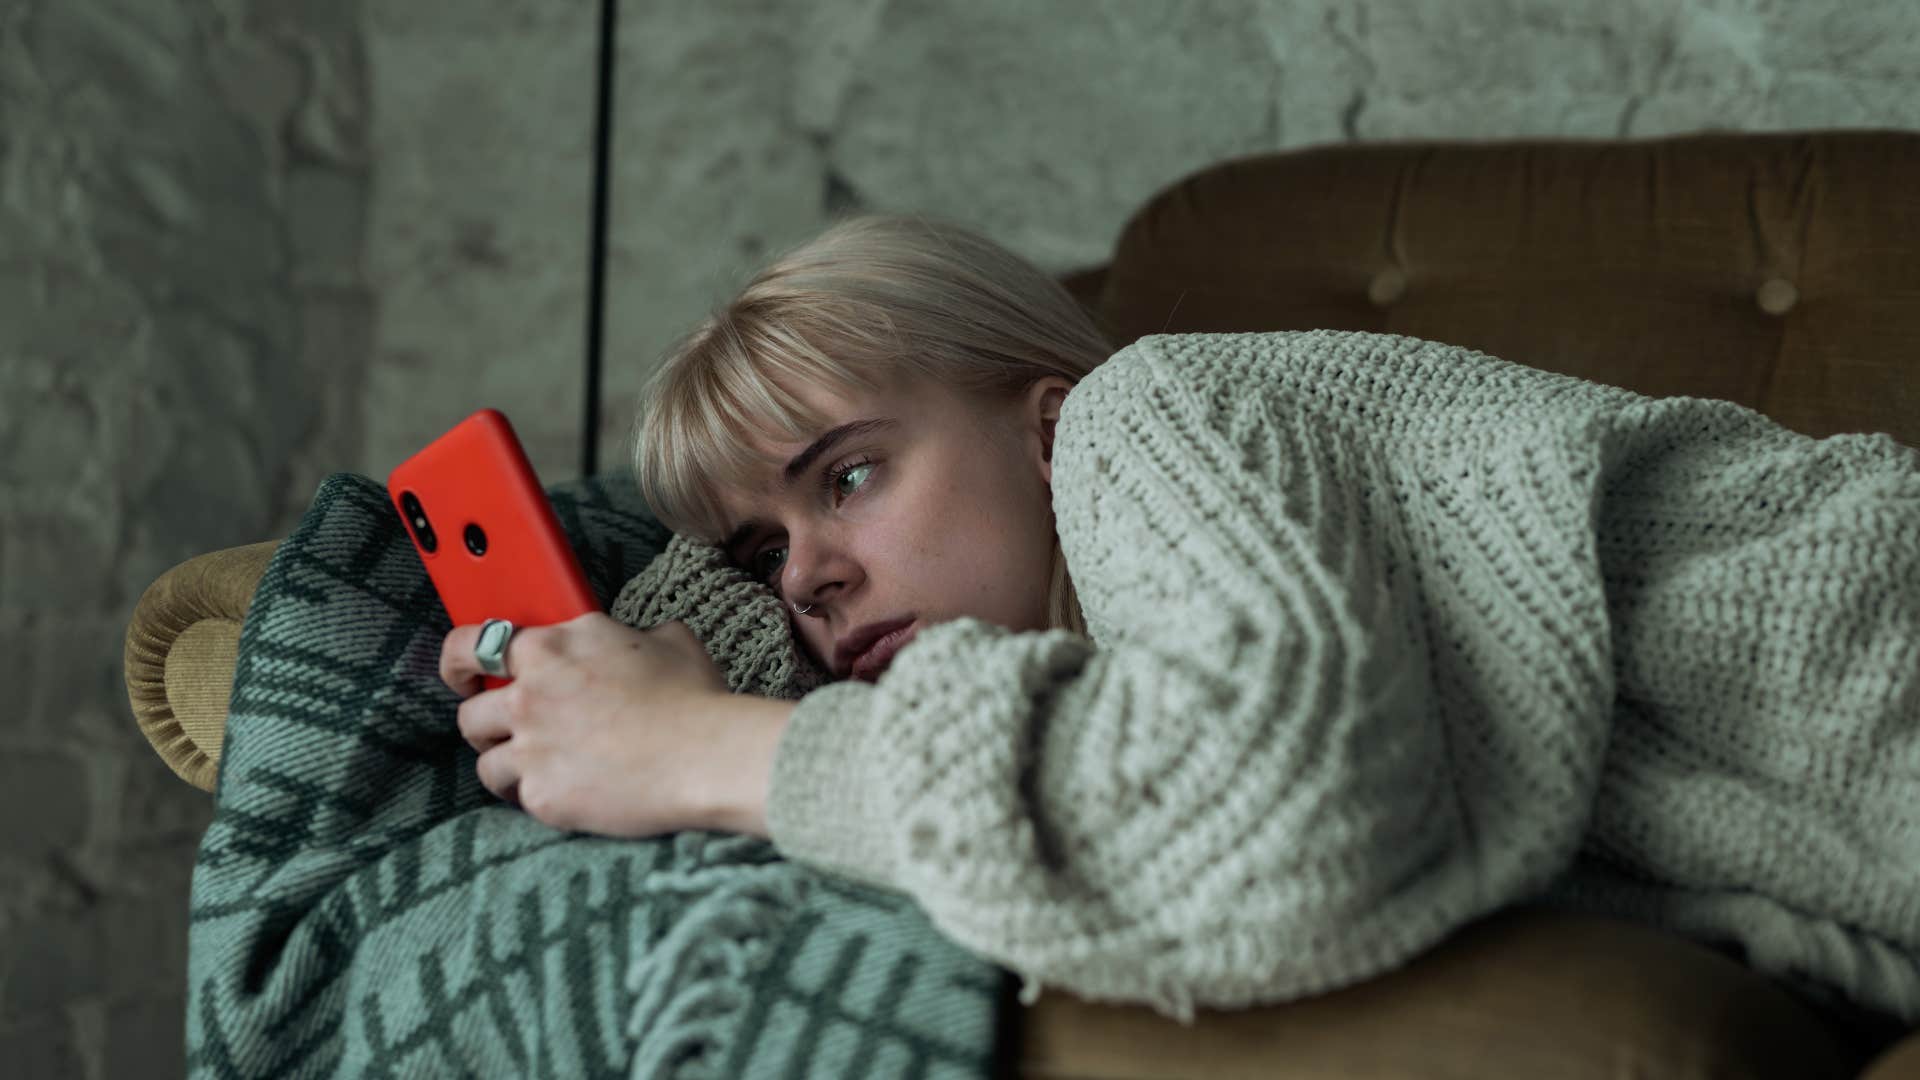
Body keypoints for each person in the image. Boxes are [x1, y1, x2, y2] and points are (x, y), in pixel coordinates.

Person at [438, 213, 1920, 1042]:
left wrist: (707, 747)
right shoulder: (1095, 673)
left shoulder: (1154, 411)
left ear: (1044, 422)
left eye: (854, 474)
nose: (808, 579)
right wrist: (620, 657)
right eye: (765, 550)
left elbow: (1278, 820)